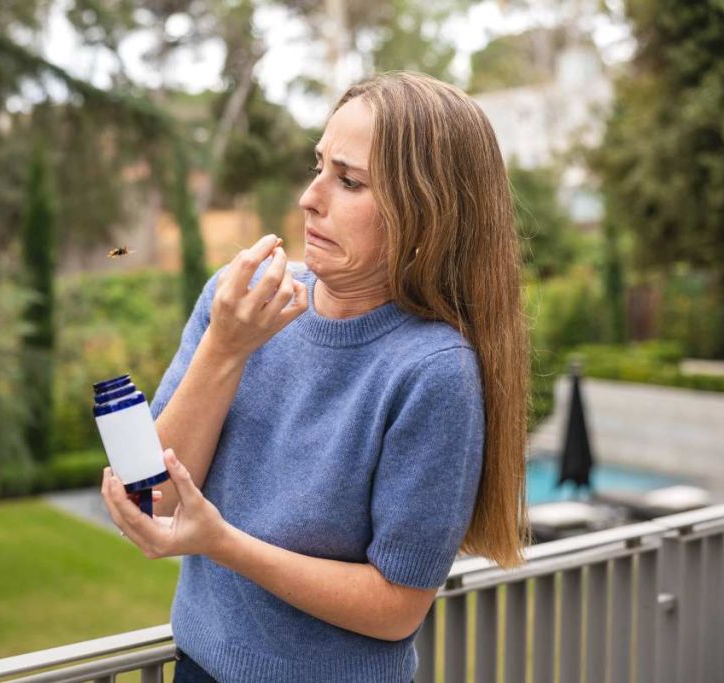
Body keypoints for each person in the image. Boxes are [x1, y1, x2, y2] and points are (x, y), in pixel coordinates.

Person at [100, 71, 530, 683]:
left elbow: (396, 609)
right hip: (197, 668)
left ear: (426, 213)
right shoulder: (240, 303)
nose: (309, 197)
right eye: (318, 166)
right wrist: (224, 348)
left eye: (348, 180)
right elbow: (157, 499)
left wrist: (222, 543)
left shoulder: (432, 372)